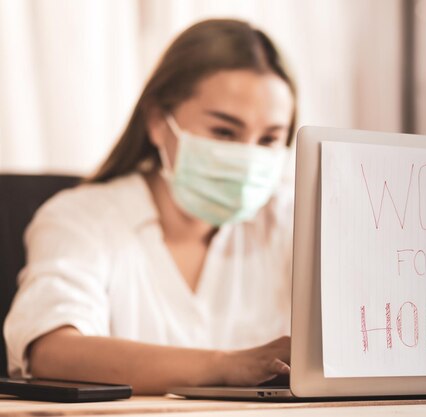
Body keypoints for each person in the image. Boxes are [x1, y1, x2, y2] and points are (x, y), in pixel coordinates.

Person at [3, 19, 296, 395]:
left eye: (269, 139)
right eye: (224, 132)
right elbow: (51, 351)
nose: (247, 157)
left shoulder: (293, 221)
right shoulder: (80, 218)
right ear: (158, 121)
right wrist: (226, 366)